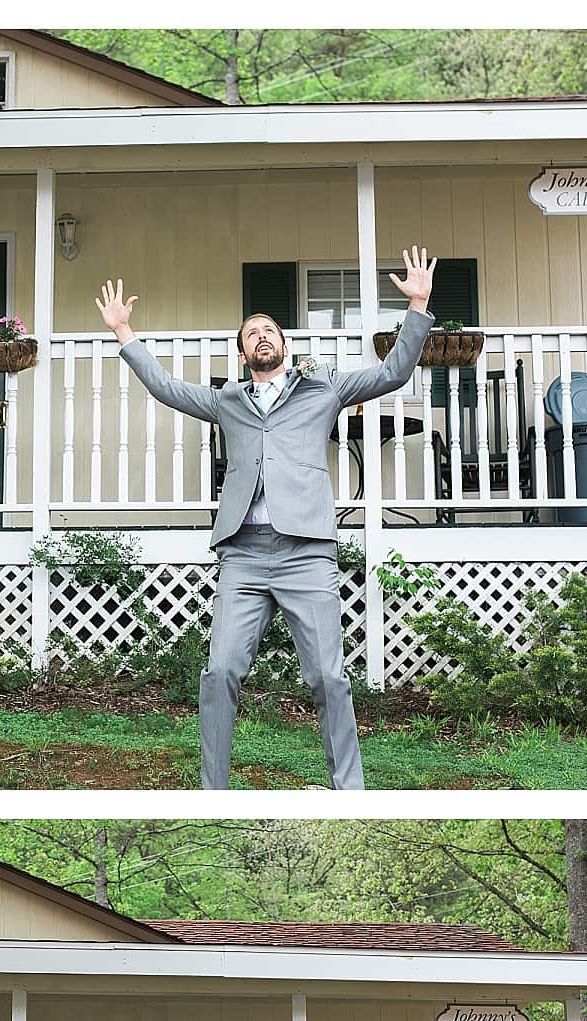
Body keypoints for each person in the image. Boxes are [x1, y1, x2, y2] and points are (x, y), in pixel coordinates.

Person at [95, 252, 436, 790]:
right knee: (220, 673)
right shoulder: (228, 401)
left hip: (307, 552)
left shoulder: (324, 390)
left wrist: (417, 303)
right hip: (244, 555)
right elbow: (166, 388)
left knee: (327, 676)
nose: (260, 337)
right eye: (251, 333)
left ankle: (349, 789)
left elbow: (393, 371)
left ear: (284, 344)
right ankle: (214, 792)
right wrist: (125, 333)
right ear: (242, 353)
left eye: (269, 330)